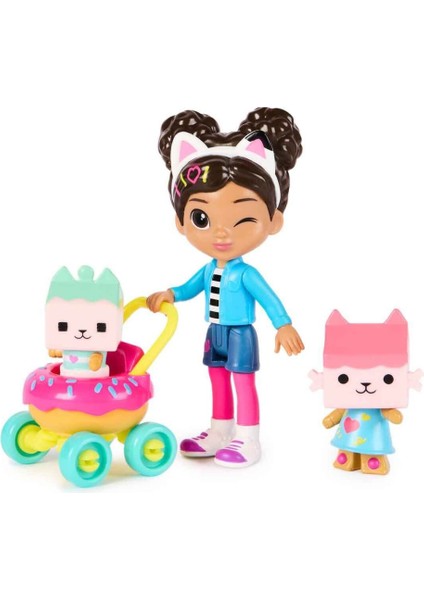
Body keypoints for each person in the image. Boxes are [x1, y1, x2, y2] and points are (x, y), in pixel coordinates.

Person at [147, 107, 304, 467]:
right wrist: (170, 294)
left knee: (243, 382)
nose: (221, 233)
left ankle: (248, 437)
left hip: (240, 334)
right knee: (217, 379)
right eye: (201, 218)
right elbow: (189, 288)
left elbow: (268, 299)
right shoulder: (208, 269)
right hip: (215, 332)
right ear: (181, 222)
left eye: (243, 218)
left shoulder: (246, 274)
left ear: (273, 220)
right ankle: (220, 430)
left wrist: (283, 325)